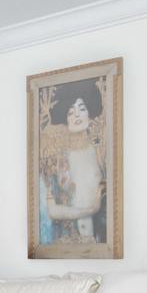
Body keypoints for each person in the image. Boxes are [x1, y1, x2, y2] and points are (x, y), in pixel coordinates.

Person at [39, 78, 107, 245]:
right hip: (68, 238)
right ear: (64, 118)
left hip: (99, 236)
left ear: (89, 113)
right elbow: (53, 210)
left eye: (82, 108)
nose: (77, 114)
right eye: (70, 111)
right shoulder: (55, 158)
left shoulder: (100, 152)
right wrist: (90, 210)